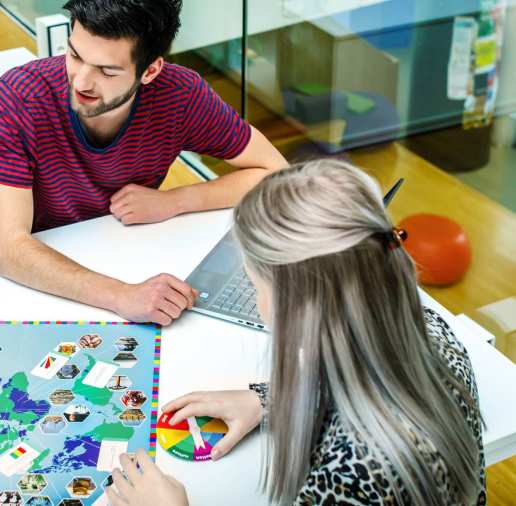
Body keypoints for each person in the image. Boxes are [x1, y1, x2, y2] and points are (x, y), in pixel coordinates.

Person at [106, 160, 485, 505]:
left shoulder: (355, 470)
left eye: (256, 286)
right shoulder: (433, 333)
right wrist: (271, 400)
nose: (257, 301)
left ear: (296, 303)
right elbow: (365, 375)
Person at [0, 0, 287, 326]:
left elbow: (277, 172)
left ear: (151, 70)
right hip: (42, 282)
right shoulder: (17, 98)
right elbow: (10, 249)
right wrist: (121, 295)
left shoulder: (180, 95)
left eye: (107, 71)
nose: (81, 81)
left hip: (133, 253)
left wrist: (175, 200)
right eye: (74, 55)